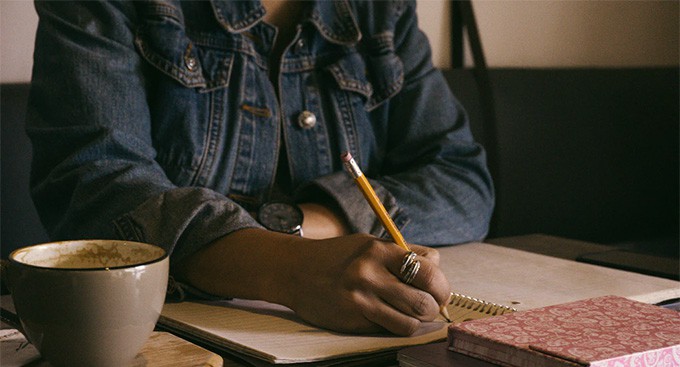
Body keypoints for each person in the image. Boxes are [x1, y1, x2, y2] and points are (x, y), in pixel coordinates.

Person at [26, 0, 494, 336]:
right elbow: (93, 188)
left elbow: (463, 182)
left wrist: (302, 225)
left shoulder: (381, 11)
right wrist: (288, 269)